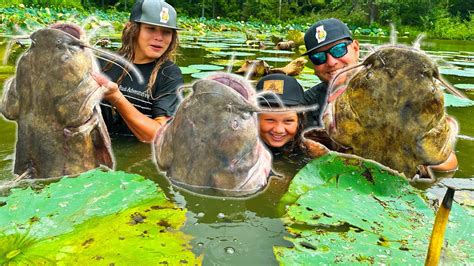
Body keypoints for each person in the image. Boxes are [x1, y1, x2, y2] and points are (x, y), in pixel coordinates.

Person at [301, 18, 458, 181]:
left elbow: (448, 164)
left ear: (355, 47)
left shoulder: (413, 97)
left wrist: (421, 156)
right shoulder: (306, 103)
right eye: (318, 57)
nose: (331, 62)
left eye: (339, 50)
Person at [93, 0, 183, 142]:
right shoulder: (103, 63)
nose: (159, 38)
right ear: (132, 29)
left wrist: (116, 97)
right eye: (151, 28)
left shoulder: (169, 74)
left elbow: (160, 136)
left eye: (166, 32)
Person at [256, 74, 328, 158]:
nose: (279, 130)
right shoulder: (240, 149)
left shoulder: (312, 148)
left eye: (288, 121)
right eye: (270, 120)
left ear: (299, 120)